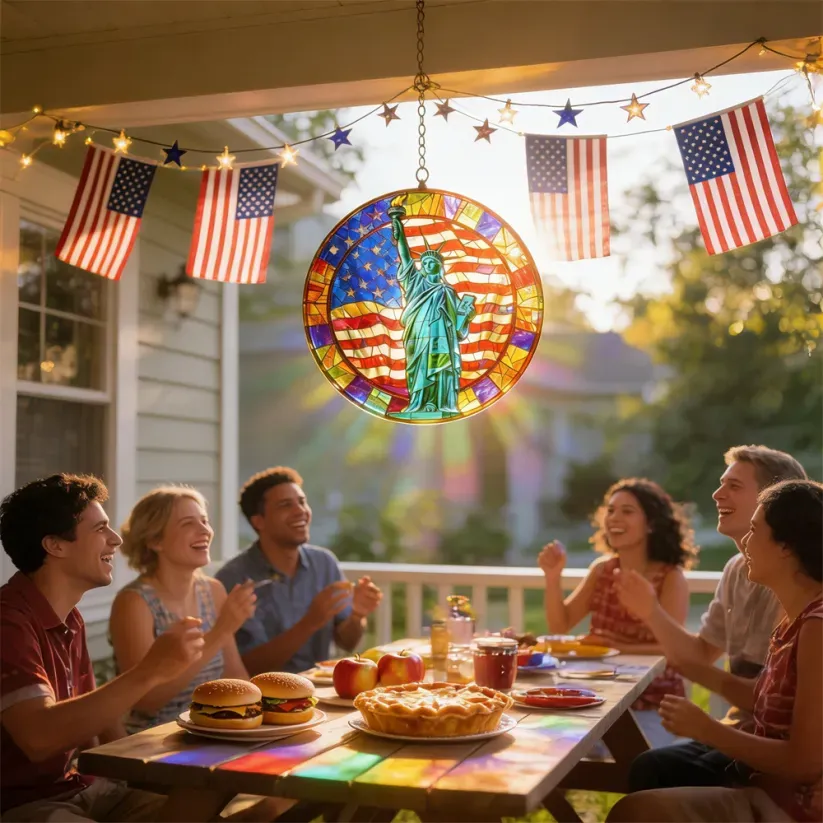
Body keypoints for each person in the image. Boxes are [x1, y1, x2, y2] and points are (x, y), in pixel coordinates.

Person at [0, 475, 213, 822]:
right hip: (23, 806)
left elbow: (96, 726)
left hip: (83, 788)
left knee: (208, 799)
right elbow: (38, 736)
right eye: (100, 529)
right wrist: (151, 670)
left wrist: (139, 772)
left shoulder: (71, 617)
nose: (115, 540)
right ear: (56, 545)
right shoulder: (9, 623)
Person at [608, 479, 822, 822]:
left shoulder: (817, 626)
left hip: (787, 806)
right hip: (758, 785)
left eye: (755, 530)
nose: (747, 543)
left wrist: (708, 729)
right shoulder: (791, 622)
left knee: (638, 809)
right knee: (647, 781)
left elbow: (806, 761)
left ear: (786, 545)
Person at [539, 478, 695, 747]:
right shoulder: (602, 571)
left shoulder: (670, 578)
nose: (614, 518)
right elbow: (560, 625)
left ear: (651, 524)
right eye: (611, 510)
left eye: (627, 511)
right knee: (551, 743)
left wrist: (615, 646)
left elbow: (672, 650)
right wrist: (553, 577)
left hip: (654, 705)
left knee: (601, 752)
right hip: (600, 697)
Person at [110, 487, 256, 733]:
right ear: (155, 540)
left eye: (205, 521)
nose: (205, 531)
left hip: (216, 730)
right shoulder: (134, 603)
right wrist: (221, 631)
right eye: (189, 523)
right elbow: (146, 701)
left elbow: (237, 677)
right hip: (155, 741)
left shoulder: (213, 590)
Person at [217, 467, 382, 675]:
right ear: (259, 521)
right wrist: (310, 623)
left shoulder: (324, 563)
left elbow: (347, 642)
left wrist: (357, 615)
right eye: (286, 505)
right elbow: (246, 667)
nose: (300, 511)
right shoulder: (233, 580)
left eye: (302, 502)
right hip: (265, 697)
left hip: (321, 690)